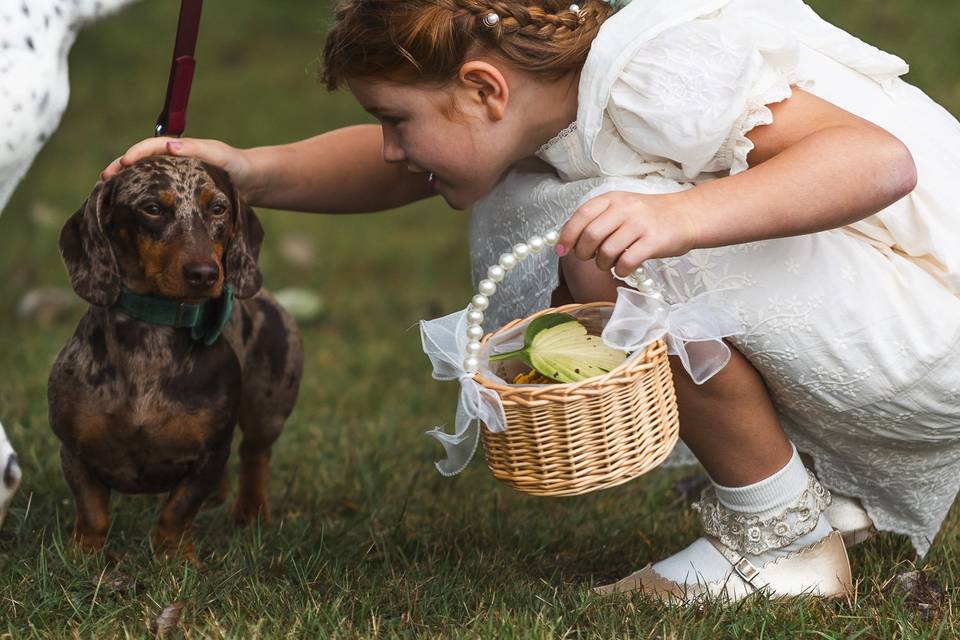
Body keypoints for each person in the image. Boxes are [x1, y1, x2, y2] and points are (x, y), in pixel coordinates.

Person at [102, 0, 960, 603]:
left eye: (396, 119)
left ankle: (784, 542)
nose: (394, 149)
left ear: (483, 90)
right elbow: (391, 161)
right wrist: (248, 170)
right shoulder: (540, 108)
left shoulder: (649, 71)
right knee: (577, 220)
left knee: (606, 241)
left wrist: (676, 218)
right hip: (891, 323)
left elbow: (876, 162)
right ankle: (805, 498)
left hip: (932, 324)